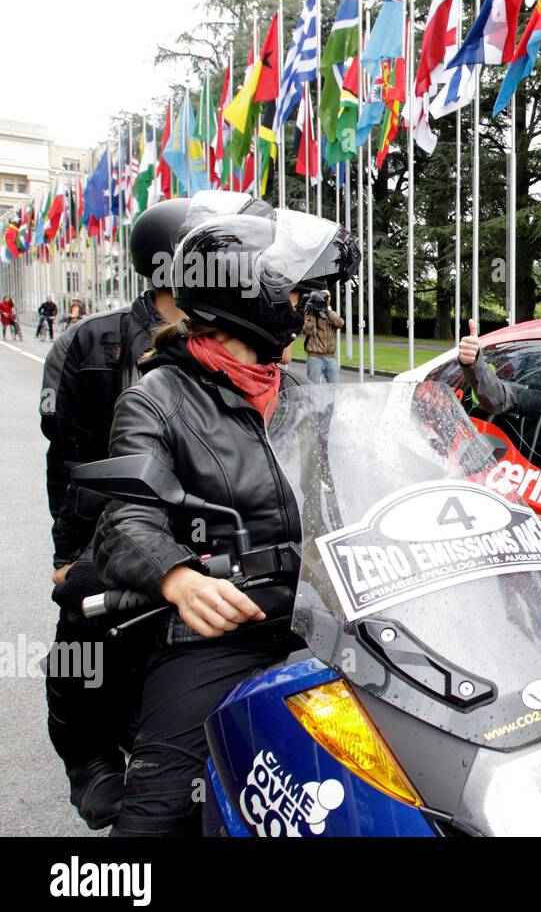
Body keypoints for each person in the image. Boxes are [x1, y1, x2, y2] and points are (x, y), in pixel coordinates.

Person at [92, 206, 358, 836]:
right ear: (250, 296)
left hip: (320, 618)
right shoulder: (156, 398)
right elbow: (124, 517)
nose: (304, 305)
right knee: (156, 816)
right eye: (294, 291)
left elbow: (348, 497)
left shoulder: (298, 396)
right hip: (218, 630)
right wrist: (179, 579)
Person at [40, 191, 275, 830]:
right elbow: (69, 459)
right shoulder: (97, 345)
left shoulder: (259, 361)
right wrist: (70, 553)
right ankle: (88, 756)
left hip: (226, 547)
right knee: (81, 622)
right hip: (118, 528)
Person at [300, 287, 345, 383]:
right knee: (313, 387)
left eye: (327, 297)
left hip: (331, 357)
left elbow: (340, 323)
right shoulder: (311, 313)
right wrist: (311, 313)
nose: (325, 299)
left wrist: (327, 311)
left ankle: (332, 399)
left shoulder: (331, 314)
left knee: (334, 387)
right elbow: (307, 331)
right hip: (315, 357)